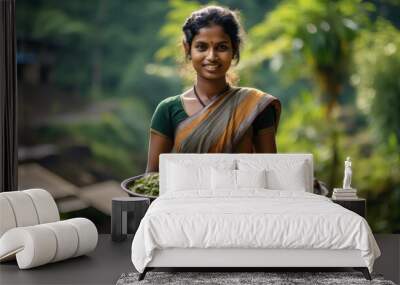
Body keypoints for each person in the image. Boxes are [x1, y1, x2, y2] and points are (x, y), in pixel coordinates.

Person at [146, 5, 281, 172]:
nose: (211, 57)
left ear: (235, 49)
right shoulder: (168, 110)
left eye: (221, 47)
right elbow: (152, 178)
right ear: (188, 49)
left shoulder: (255, 106)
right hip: (187, 198)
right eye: (201, 47)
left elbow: (271, 171)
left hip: (244, 197)